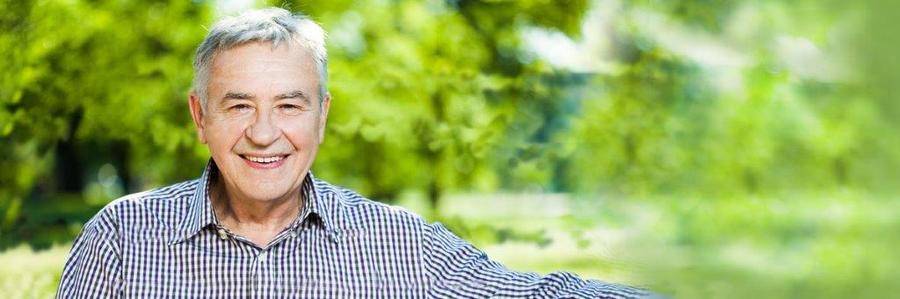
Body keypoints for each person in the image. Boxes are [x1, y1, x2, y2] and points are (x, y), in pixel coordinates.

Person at [57, 7, 651, 298]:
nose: (264, 133)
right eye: (239, 105)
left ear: (322, 116)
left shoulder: (399, 245)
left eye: (289, 105)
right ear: (200, 117)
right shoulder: (120, 240)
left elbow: (531, 296)